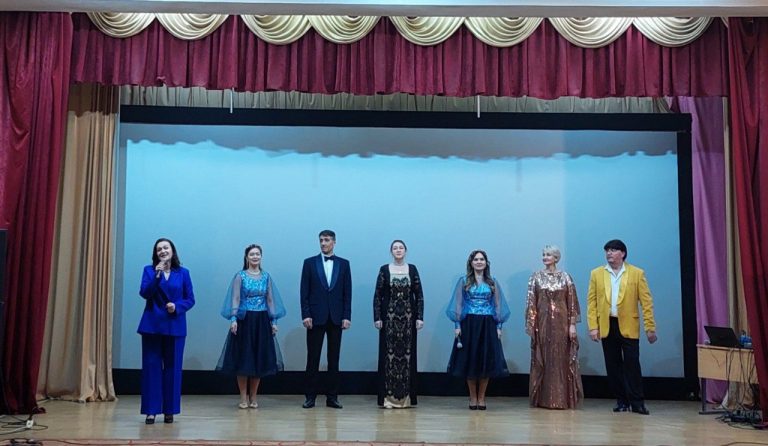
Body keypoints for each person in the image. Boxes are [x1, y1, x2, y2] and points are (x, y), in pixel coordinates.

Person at [586, 239, 657, 415]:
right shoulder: (597, 273)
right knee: (613, 366)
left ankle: (637, 402)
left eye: (613, 250)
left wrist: (650, 327)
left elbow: (646, 302)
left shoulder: (636, 273)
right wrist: (593, 327)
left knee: (632, 365)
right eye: (607, 250)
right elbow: (592, 302)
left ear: (623, 253)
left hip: (628, 325)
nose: (609, 253)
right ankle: (622, 401)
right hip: (607, 324)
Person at [217, 244, 286, 409]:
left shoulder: (266, 276)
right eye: (252, 254)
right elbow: (235, 298)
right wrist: (233, 319)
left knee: (259, 359)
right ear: (246, 257)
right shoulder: (240, 276)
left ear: (261, 256)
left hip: (262, 320)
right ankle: (243, 398)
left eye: (257, 254)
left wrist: (274, 321)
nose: (255, 256)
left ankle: (254, 397)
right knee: (243, 359)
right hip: (244, 319)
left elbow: (270, 299)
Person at [137, 238, 195, 424]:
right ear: (156, 254)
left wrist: (177, 307)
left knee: (173, 369)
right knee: (151, 368)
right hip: (152, 326)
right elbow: (145, 293)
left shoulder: (183, 273)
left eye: (166, 248)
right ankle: (151, 411)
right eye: (159, 249)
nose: (162, 251)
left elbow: (190, 299)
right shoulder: (149, 270)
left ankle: (170, 410)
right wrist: (157, 275)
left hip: (175, 326)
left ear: (172, 251)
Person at [446, 249, 510, 410]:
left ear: (486, 263)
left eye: (482, 259)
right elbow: (458, 304)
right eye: (476, 259)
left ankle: (482, 398)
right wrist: (457, 325)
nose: (479, 262)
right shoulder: (464, 281)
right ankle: (472, 397)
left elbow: (498, 305)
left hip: (487, 324)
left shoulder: (492, 282)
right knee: (470, 360)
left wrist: (499, 326)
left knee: (485, 361)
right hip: (469, 323)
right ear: (471, 263)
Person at [525, 245, 583, 409]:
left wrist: (572, 325)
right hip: (543, 323)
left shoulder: (565, 277)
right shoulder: (536, 277)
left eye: (548, 254)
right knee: (544, 357)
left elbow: (572, 303)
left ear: (556, 258)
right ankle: (543, 399)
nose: (545, 257)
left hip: (561, 323)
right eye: (543, 254)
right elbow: (531, 302)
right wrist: (532, 324)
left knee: (561, 357)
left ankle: (562, 398)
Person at [300, 229, 352, 409]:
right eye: (321, 240)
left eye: (327, 240)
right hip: (315, 317)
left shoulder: (344, 264)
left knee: (334, 359)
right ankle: (310, 397)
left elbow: (347, 292)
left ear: (334, 242)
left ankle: (332, 397)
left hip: (336, 317)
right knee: (312, 358)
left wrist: (346, 316)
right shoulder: (309, 263)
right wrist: (306, 314)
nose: (323, 243)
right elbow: (304, 291)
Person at [373, 240, 425, 408]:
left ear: (405, 251)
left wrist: (420, 317)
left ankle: (406, 398)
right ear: (391, 251)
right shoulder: (384, 270)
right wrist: (377, 317)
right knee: (388, 357)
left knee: (408, 357)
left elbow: (419, 295)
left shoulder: (412, 269)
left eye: (401, 248)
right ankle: (388, 399)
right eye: (395, 248)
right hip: (389, 320)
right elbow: (378, 295)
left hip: (409, 321)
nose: (398, 250)